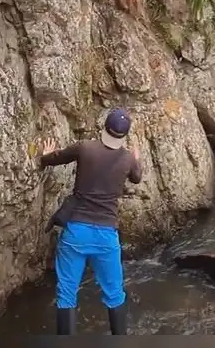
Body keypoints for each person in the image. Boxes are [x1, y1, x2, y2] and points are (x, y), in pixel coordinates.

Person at [38, 108, 142, 335]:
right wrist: (135, 159)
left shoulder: (85, 148)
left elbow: (54, 159)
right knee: (115, 295)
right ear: (124, 136)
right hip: (106, 236)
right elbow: (137, 177)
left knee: (67, 293)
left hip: (76, 231)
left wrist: (46, 154)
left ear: (104, 127)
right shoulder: (127, 160)